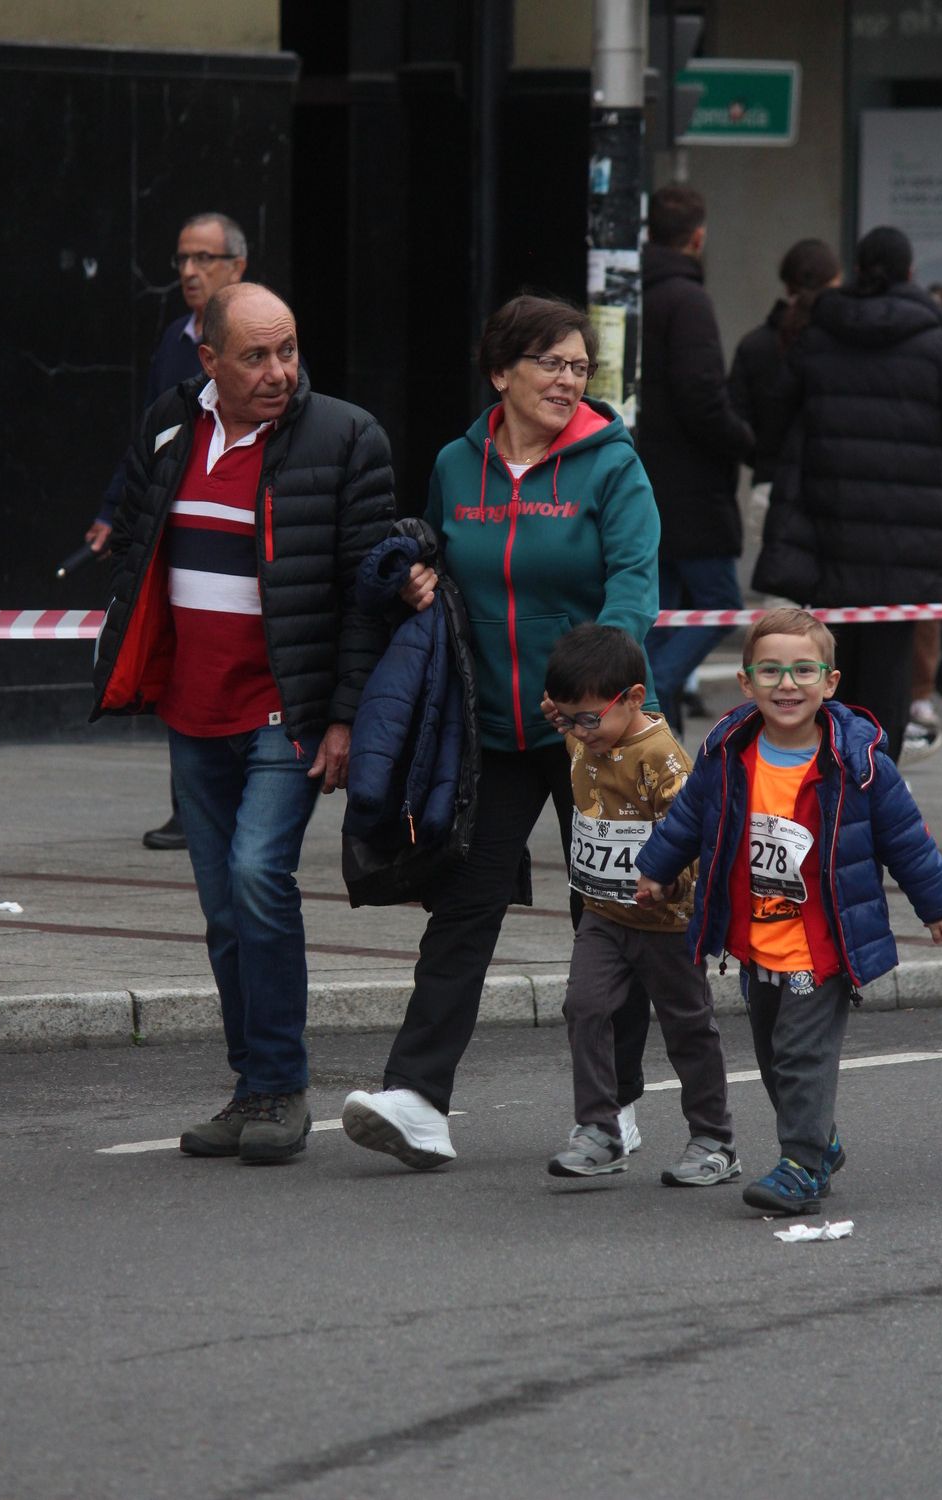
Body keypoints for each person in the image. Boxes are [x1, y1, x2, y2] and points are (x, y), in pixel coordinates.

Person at [341, 291, 661, 1171]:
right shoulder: (457, 463)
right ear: (501, 374)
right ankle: (415, 1099)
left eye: (578, 366)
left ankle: (616, 1104)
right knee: (461, 909)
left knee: (607, 918)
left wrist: (598, 696)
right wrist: (416, 580)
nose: (569, 379)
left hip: (601, 734)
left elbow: (634, 583)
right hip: (490, 731)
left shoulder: (611, 465)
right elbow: (442, 567)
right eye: (551, 364)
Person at [91, 283, 394, 1164]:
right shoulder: (168, 427)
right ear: (208, 362)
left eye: (288, 351)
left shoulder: (344, 436)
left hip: (283, 711)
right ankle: (251, 1087)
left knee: (261, 877)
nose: (277, 372)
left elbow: (366, 595)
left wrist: (343, 718)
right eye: (255, 356)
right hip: (195, 708)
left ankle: (283, 1088)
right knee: (224, 910)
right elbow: (142, 558)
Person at [634, 608, 942, 1215]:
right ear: (746, 683)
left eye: (804, 670)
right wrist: (655, 868)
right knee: (776, 1060)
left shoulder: (857, 766)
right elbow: (689, 818)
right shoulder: (727, 754)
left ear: (830, 682)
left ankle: (800, 1165)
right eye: (772, 670)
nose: (788, 684)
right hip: (755, 941)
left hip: (823, 942)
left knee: (804, 1058)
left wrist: (939, 906)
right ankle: (820, 1143)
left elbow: (907, 840)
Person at [540, 624, 737, 1185]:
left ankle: (714, 1140)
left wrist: (669, 883)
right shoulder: (587, 732)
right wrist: (568, 714)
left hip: (666, 924)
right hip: (604, 916)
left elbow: (696, 835)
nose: (579, 732)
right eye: (567, 717)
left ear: (631, 698)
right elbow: (571, 716)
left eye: (588, 718)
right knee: (584, 1006)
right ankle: (601, 1129)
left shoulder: (662, 760)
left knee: (688, 1028)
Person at [760, 226, 942, 764]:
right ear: (911, 273)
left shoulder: (820, 333)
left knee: (831, 660)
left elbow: (777, 414)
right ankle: (875, 780)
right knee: (891, 670)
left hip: (831, 525)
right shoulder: (936, 342)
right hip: (905, 535)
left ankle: (832, 778)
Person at [88, 212, 248, 850]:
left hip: (236, 525)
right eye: (183, 258)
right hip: (176, 526)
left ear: (237, 265)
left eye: (205, 258)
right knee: (180, 657)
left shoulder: (261, 334)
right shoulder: (175, 341)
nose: (189, 272)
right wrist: (111, 509)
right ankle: (190, 806)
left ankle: (239, 796)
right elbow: (147, 439)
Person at [638, 183, 755, 734]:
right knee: (720, 602)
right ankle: (650, 693)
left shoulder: (629, 288)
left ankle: (656, 737)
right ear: (698, 237)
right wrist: (745, 440)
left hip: (648, 477)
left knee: (663, 610)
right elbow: (702, 395)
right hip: (690, 481)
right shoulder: (687, 300)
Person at [728, 238, 841, 544]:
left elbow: (737, 421)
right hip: (837, 490)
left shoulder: (755, 346)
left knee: (779, 590)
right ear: (835, 281)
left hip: (770, 486)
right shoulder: (843, 345)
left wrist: (764, 457)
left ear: (787, 285)